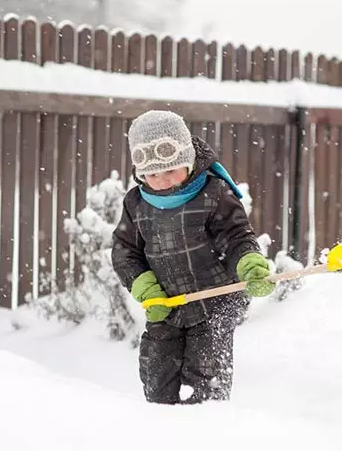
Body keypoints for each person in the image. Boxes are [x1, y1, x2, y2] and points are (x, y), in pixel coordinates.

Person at [111, 109, 275, 405]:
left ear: (188, 161)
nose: (161, 181)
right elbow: (125, 252)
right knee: (157, 374)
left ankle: (205, 426)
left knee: (207, 373)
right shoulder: (135, 203)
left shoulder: (214, 194)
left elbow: (236, 237)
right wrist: (146, 288)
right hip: (167, 306)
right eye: (151, 174)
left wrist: (249, 264)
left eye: (171, 170)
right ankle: (159, 427)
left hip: (215, 302)